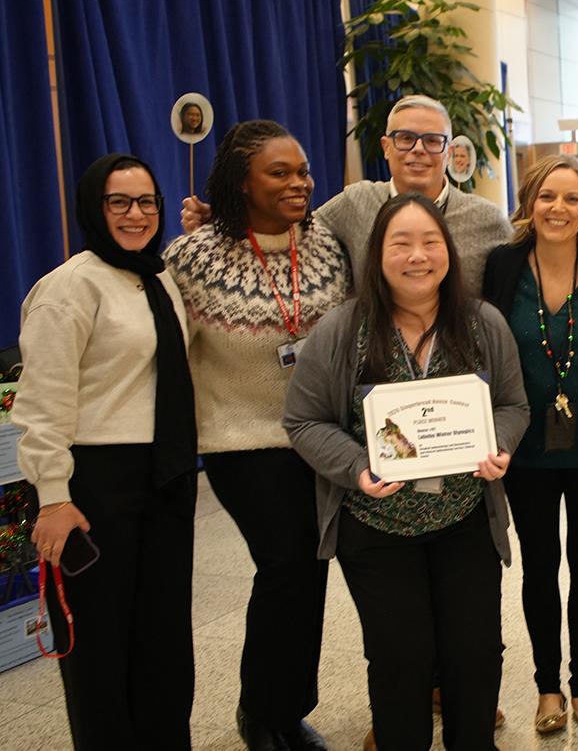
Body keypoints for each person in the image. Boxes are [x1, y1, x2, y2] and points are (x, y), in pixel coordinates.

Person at [282, 192, 529, 751]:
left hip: (465, 520)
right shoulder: (343, 329)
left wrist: (501, 446)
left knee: (475, 654)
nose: (418, 256)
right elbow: (302, 420)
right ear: (377, 254)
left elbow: (514, 406)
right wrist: (356, 466)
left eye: (430, 242)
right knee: (400, 660)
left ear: (449, 251)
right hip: (376, 529)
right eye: (401, 243)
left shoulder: (481, 322)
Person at [164, 120, 351, 751]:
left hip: (321, 438)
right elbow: (162, 351)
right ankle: (263, 714)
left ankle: (289, 706)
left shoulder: (326, 243)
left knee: (310, 569)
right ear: (241, 183)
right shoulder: (194, 257)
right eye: (281, 172)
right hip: (241, 441)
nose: (300, 182)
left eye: (302, 170)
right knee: (286, 563)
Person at [14, 154, 197, 749]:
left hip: (165, 474)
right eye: (119, 202)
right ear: (95, 207)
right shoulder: (67, 288)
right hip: (95, 483)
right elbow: (41, 406)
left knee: (162, 636)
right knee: (96, 643)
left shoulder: (159, 276)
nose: (135, 214)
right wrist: (52, 499)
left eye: (147, 202)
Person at [482, 155, 578, 739]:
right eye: (547, 197)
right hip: (526, 452)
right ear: (529, 204)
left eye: (571, 199)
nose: (558, 209)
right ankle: (547, 688)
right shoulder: (501, 265)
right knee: (539, 568)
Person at [182, 94, 511, 293]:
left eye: (432, 140)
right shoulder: (355, 203)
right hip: (375, 371)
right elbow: (291, 232)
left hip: (463, 376)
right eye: (405, 138)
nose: (418, 150)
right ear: (385, 147)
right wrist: (226, 216)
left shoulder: (487, 220)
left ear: (449, 150)